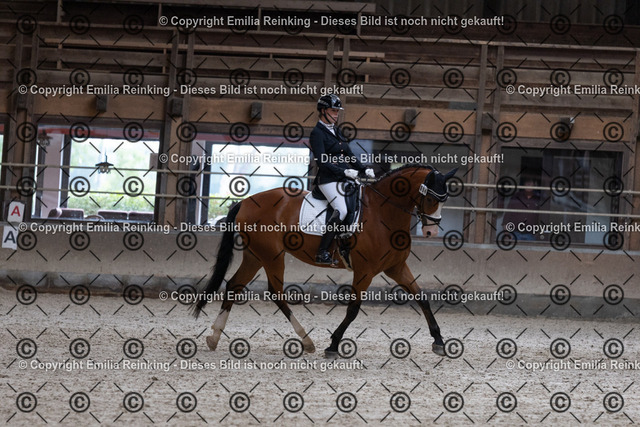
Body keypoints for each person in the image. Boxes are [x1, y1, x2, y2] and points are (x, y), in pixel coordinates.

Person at [310, 94, 375, 264]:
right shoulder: (317, 133)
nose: (336, 114)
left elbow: (349, 154)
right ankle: (322, 252)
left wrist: (363, 169)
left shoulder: (336, 130)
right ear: (323, 111)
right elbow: (322, 161)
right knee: (342, 209)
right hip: (327, 180)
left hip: (343, 177)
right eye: (333, 111)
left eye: (337, 111)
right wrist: (344, 172)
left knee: (358, 201)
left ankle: (344, 242)